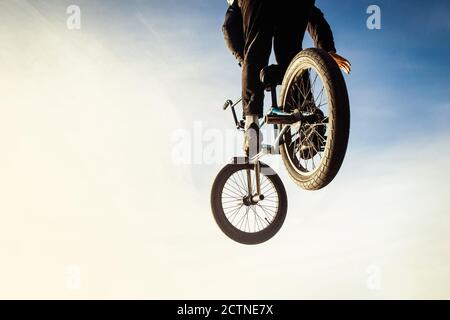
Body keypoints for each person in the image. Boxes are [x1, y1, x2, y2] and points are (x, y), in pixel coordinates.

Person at [222, 0, 351, 156]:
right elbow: (313, 16)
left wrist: (246, 64)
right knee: (289, 51)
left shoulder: (235, 5)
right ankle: (308, 120)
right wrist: (327, 49)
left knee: (256, 48)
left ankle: (251, 127)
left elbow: (228, 28)